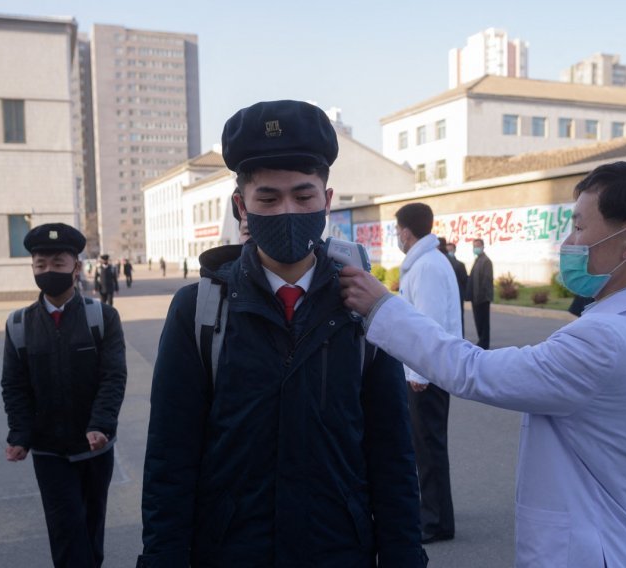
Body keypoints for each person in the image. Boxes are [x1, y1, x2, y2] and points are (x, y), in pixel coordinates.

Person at [339, 161, 626, 567]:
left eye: (579, 227)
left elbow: (475, 371)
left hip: (589, 553)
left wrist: (381, 307)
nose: (568, 241)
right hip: (623, 538)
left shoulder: (605, 340)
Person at [138, 100, 426, 567]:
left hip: (338, 552)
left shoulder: (366, 310)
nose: (288, 210)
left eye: (304, 196)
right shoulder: (198, 312)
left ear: (327, 201)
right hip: (232, 554)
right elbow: (170, 460)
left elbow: (392, 458)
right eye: (268, 199)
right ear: (241, 206)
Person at [1, 223, 127, 568]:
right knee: (65, 528)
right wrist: (20, 435)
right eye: (40, 265)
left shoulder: (103, 317)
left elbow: (113, 376)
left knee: (90, 525)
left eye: (58, 264)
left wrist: (100, 424)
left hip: (95, 448)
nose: (48, 271)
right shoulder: (18, 325)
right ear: (32, 270)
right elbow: (14, 386)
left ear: (76, 267)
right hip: (48, 450)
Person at [395, 205, 460, 544]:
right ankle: (437, 513)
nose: (397, 237)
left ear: (407, 232)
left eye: (397, 231)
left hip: (428, 374)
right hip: (427, 371)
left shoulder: (428, 267)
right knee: (425, 447)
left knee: (429, 448)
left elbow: (428, 324)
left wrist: (419, 371)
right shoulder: (426, 263)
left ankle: (435, 521)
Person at [466, 238, 493, 349]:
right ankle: (481, 341)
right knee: (478, 321)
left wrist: (482, 296)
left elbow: (486, 281)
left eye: (477, 246)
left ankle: (484, 343)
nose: (475, 248)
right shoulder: (477, 260)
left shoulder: (486, 261)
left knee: (484, 322)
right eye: (474, 246)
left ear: (482, 247)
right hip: (475, 297)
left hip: (482, 298)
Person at [442, 240, 467, 336]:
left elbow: (464, 280)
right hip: (452, 295)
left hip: (458, 295)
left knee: (458, 318)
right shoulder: (443, 263)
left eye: (451, 250)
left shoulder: (459, 265)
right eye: (448, 250)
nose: (449, 252)